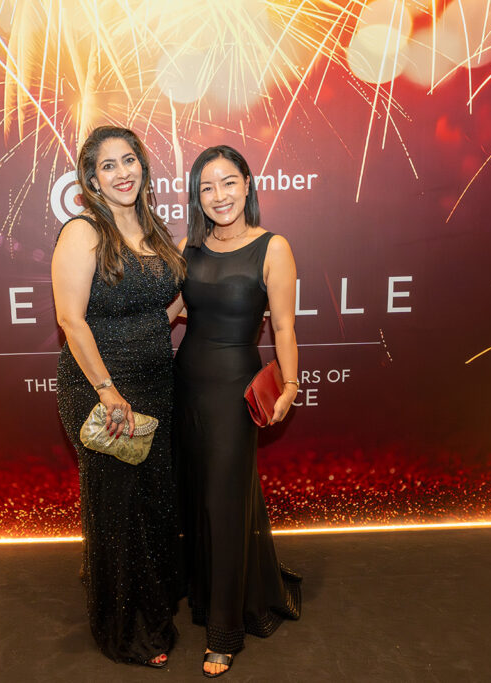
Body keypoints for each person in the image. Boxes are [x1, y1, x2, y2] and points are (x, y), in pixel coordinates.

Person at [51, 126, 186, 667]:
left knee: (153, 500)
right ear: (91, 180)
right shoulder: (83, 232)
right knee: (119, 507)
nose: (122, 172)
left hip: (156, 384)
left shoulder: (153, 229)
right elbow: (71, 319)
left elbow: (157, 309)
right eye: (108, 166)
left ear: (142, 167)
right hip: (100, 387)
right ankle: (126, 628)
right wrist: (108, 391)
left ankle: (154, 602)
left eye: (129, 160)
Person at [174, 145, 302, 677]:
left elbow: (284, 326)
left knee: (225, 504)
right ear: (196, 196)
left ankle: (224, 632)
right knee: (196, 498)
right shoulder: (188, 247)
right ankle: (206, 595)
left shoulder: (273, 247)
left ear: (247, 184)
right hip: (186, 384)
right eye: (207, 187)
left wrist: (290, 383)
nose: (219, 195)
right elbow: (173, 310)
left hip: (234, 391)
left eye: (228, 182)